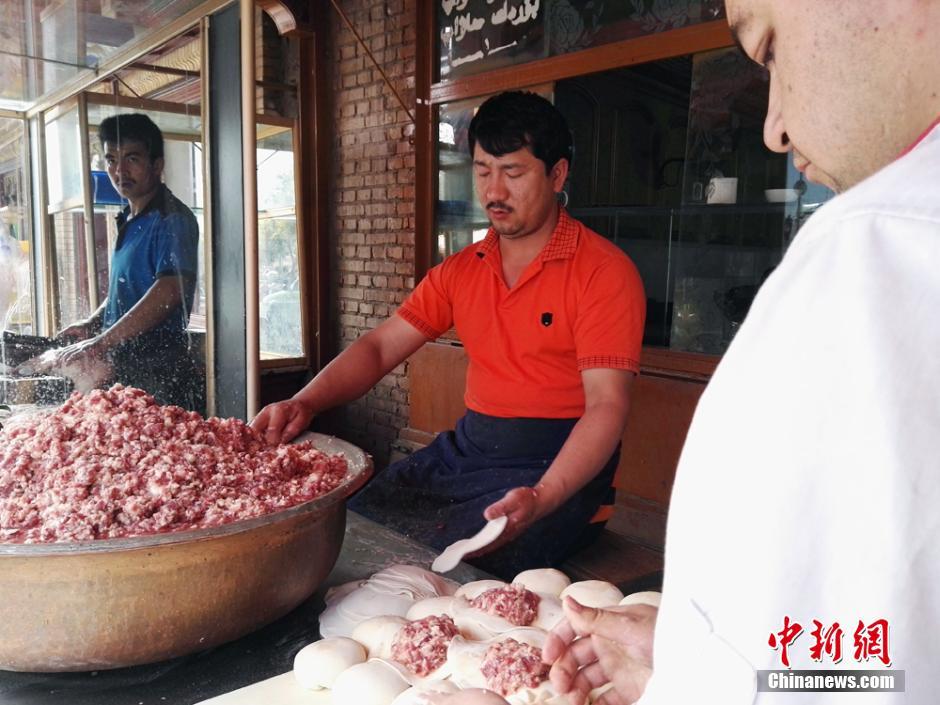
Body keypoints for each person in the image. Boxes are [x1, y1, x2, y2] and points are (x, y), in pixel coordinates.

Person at [543, 0, 940, 703]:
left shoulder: (882, 250)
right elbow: (886, 666)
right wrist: (698, 661)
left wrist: (703, 675)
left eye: (771, 49)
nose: (775, 123)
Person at [253, 91, 646, 579]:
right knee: (358, 523)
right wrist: (306, 403)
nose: (494, 191)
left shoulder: (603, 272)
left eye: (514, 172)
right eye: (483, 171)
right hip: (471, 448)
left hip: (556, 463)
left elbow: (607, 405)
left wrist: (545, 495)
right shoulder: (462, 270)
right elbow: (379, 348)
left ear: (558, 174)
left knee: (459, 564)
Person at [55, 113, 203, 410]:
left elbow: (169, 290)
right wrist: (92, 324)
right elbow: (126, 290)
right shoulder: (129, 219)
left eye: (132, 158)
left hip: (160, 371)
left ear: (157, 164)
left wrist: (101, 342)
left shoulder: (171, 219)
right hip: (124, 363)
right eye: (111, 160)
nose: (119, 170)